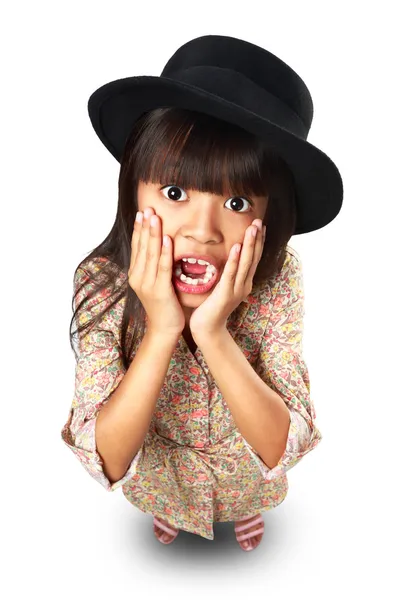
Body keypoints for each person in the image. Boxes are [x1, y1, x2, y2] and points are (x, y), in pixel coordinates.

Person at [60, 34, 343, 552]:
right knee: (159, 497)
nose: (203, 230)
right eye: (174, 193)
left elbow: (281, 443)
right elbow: (107, 456)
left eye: (236, 202)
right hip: (158, 478)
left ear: (268, 216)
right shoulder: (101, 281)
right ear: (133, 188)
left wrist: (212, 332)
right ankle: (172, 510)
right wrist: (162, 328)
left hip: (245, 473)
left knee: (251, 487)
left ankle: (244, 509)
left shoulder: (278, 277)